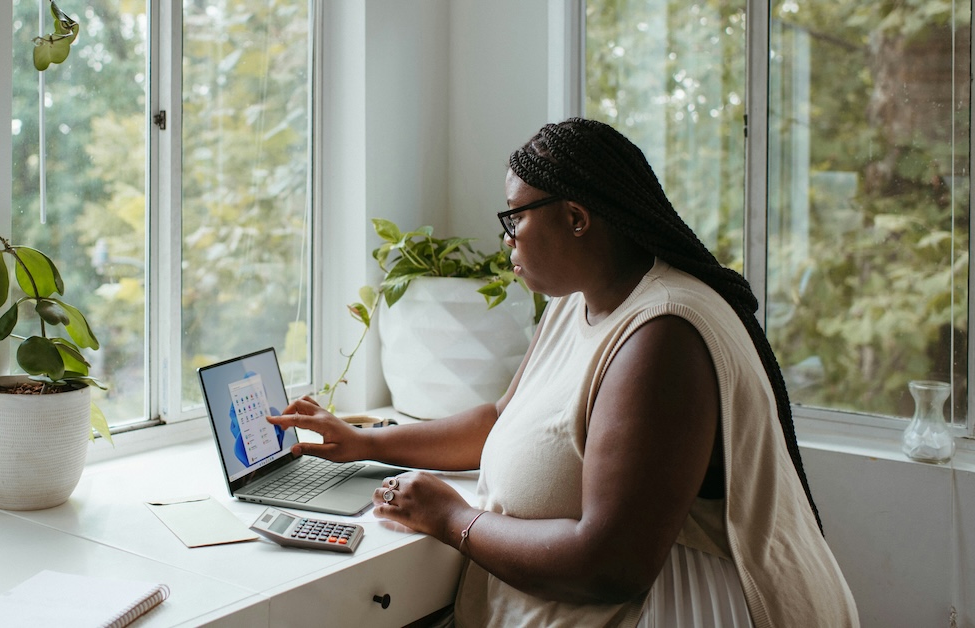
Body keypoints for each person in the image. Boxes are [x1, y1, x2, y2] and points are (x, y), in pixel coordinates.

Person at [268, 117, 858, 627]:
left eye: (514, 218)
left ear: (576, 217)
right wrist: (367, 441)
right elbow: (501, 418)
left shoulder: (662, 336)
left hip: (688, 610)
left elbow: (609, 565)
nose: (506, 241)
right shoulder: (576, 301)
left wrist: (452, 517)